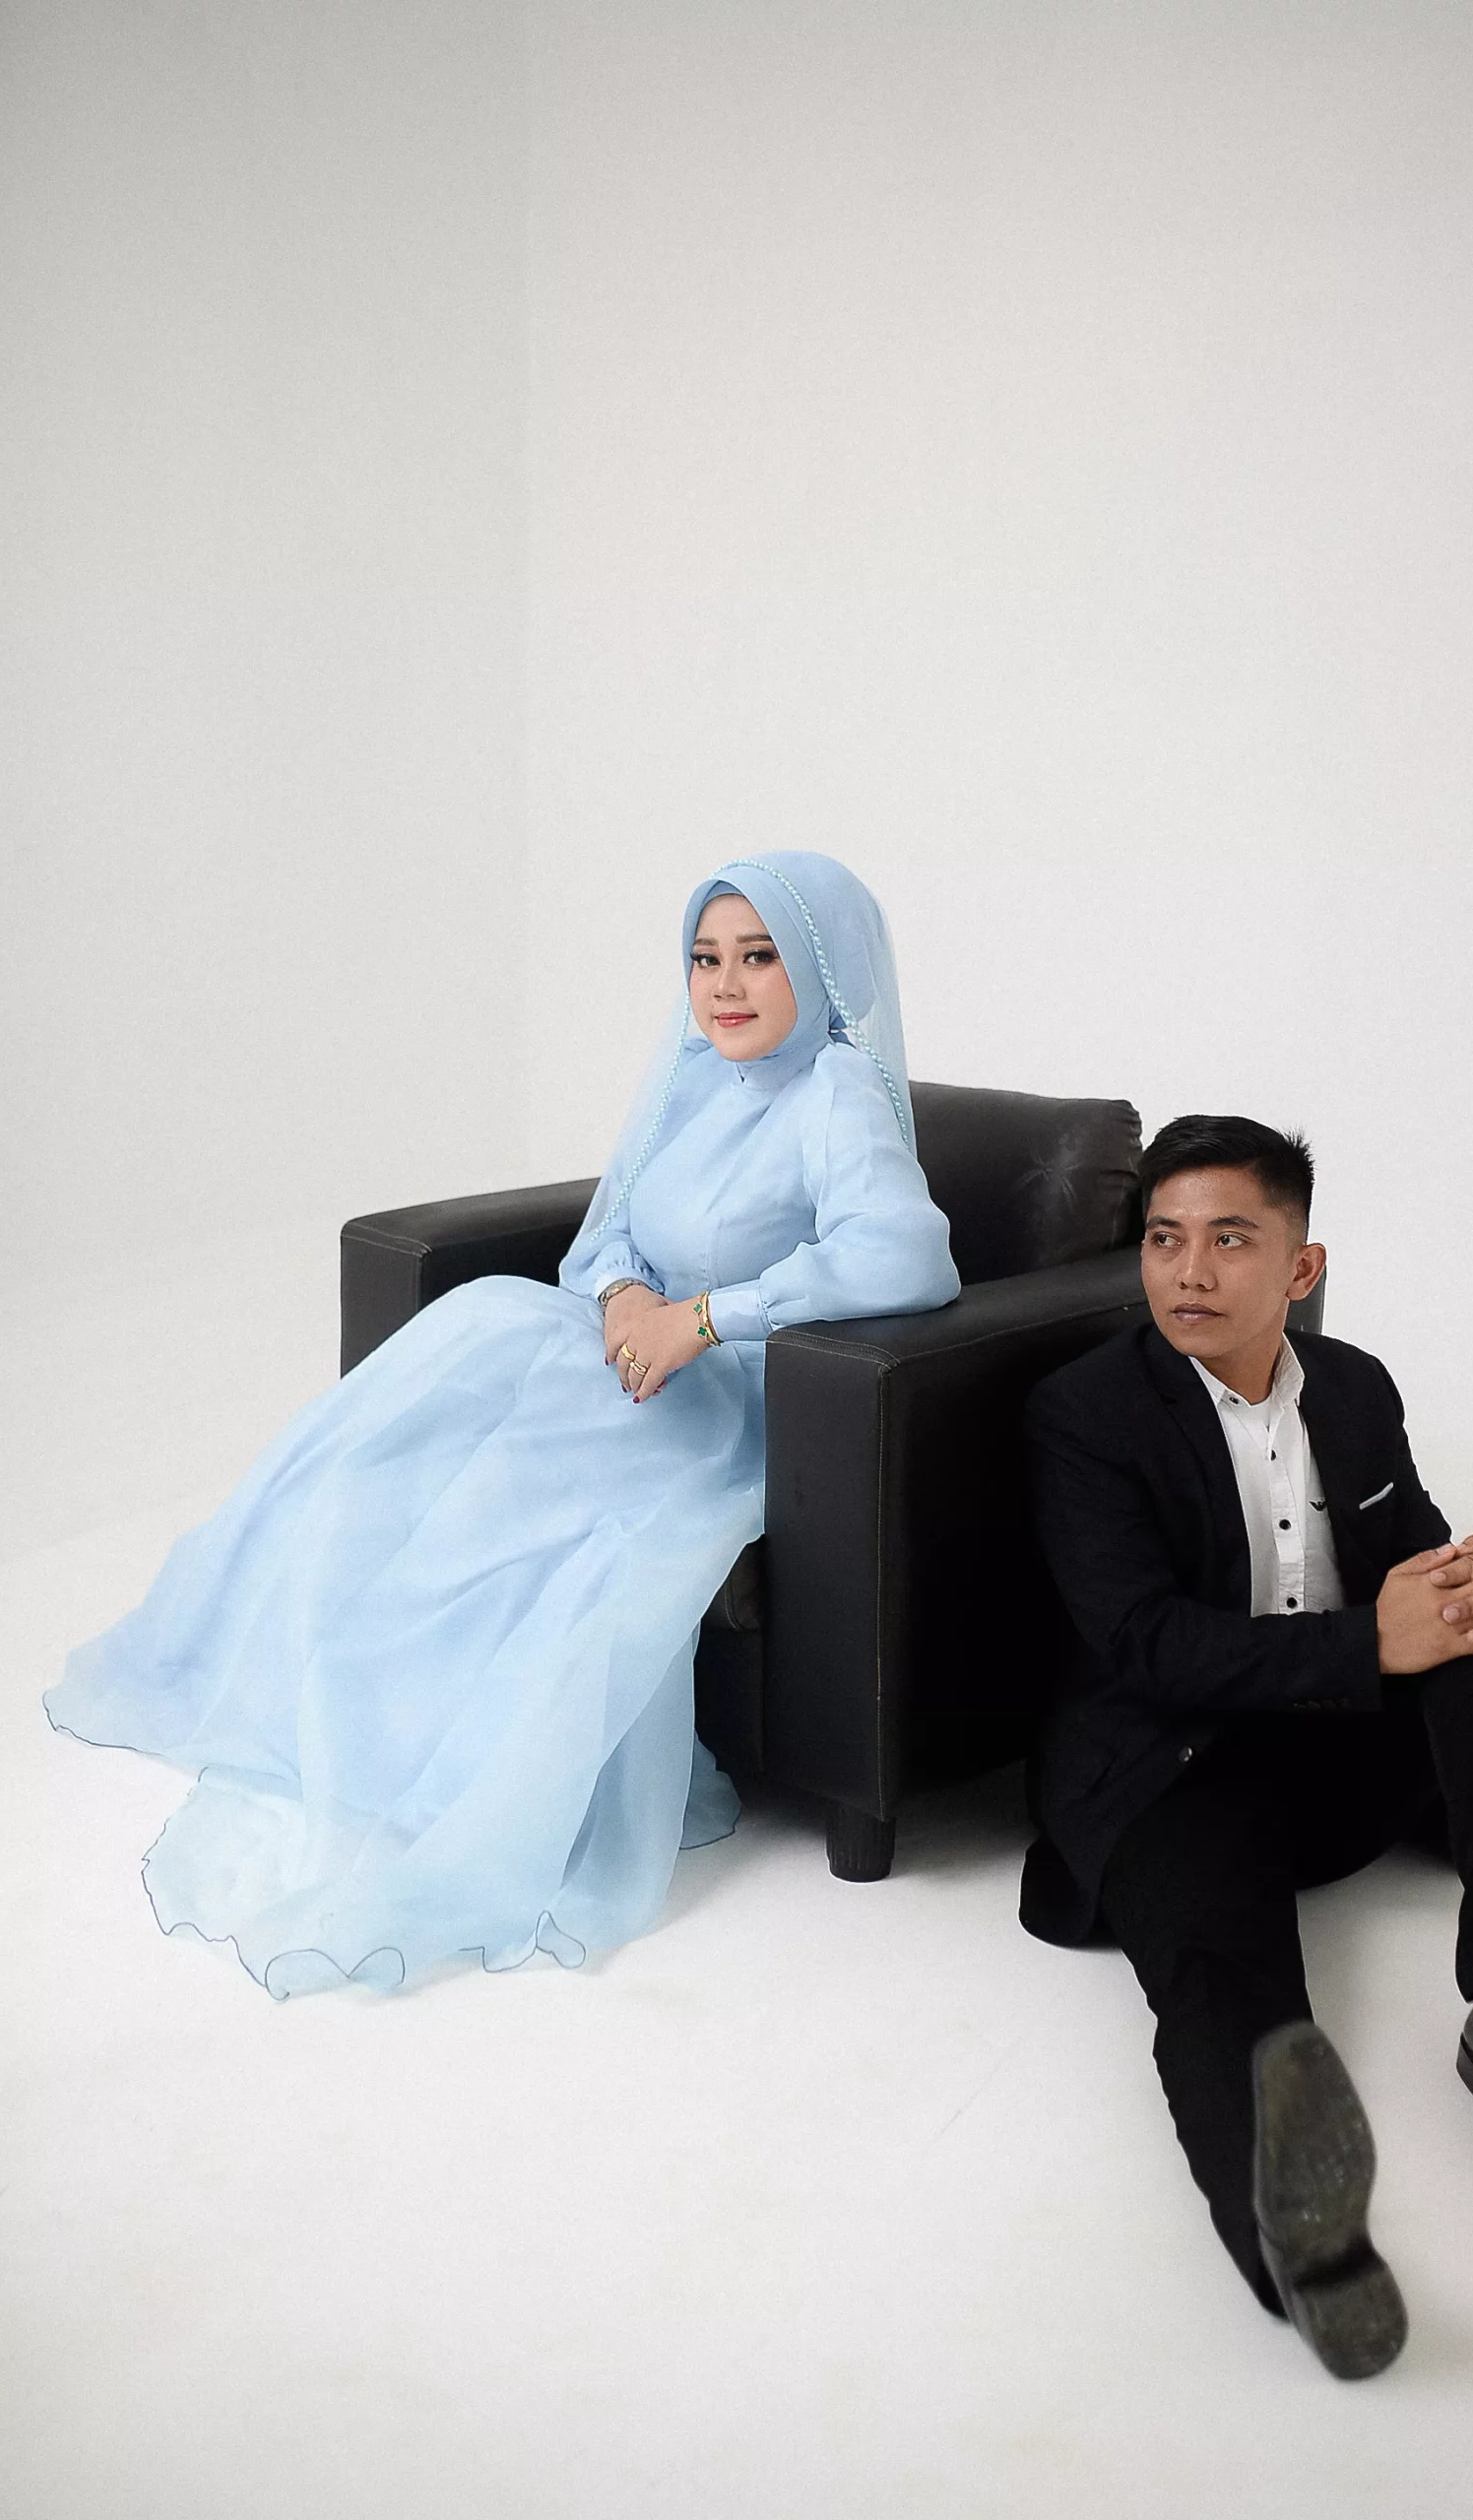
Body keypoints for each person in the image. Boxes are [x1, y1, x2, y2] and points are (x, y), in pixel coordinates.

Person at [46, 853, 959, 1996]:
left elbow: (903, 1257)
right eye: (704, 958)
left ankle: (446, 1772)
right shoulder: (695, 1076)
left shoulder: (833, 1092)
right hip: (626, 1354)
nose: (724, 986)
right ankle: (353, 1710)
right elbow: (613, 1227)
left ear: (819, 967)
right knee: (439, 1383)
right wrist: (623, 1295)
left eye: (758, 956)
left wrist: (704, 1319)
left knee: (509, 1477)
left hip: (732, 1400)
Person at [1020, 1114, 1473, 2380]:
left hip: (1333, 1755)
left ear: (1300, 1266)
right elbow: (1141, 1644)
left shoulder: (1353, 1386)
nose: (1188, 1271)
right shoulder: (1083, 1415)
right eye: (1163, 1239)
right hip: (1173, 1767)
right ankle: (1297, 2241)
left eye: (1229, 1239)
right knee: (1221, 1981)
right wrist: (1372, 1642)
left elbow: (1421, 1561)